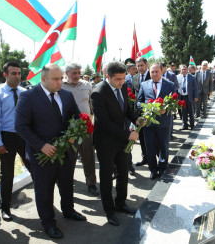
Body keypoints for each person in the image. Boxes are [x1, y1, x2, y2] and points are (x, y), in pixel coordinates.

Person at [15, 63, 86, 239]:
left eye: (61, 78)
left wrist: (74, 133)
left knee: (67, 184)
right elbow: (21, 126)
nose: (60, 82)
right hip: (42, 155)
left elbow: (76, 117)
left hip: (66, 152)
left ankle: (68, 210)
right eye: (56, 79)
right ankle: (48, 223)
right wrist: (41, 145)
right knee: (44, 190)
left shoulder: (67, 95)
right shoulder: (28, 97)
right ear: (43, 79)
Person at [91, 61, 142, 226]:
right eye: (117, 79)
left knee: (123, 173)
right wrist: (128, 135)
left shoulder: (122, 88)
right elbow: (104, 122)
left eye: (123, 78)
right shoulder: (98, 93)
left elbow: (126, 109)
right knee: (106, 178)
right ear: (108, 76)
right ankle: (110, 211)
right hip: (106, 142)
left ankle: (121, 203)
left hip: (121, 139)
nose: (121, 82)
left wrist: (136, 118)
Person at [0, 62, 33, 222]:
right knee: (7, 174)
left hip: (24, 136)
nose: (17, 76)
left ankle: (44, 201)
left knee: (33, 167)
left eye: (19, 73)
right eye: (13, 73)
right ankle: (5, 207)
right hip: (6, 137)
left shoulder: (24, 93)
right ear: (5, 75)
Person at [62, 62, 99, 196]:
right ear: (66, 74)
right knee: (69, 159)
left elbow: (90, 104)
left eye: (78, 72)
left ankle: (91, 184)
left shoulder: (86, 85)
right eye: (74, 73)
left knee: (88, 157)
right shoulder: (61, 87)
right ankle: (67, 184)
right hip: (69, 131)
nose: (77, 75)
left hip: (86, 129)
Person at [137, 63, 175, 180]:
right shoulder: (144, 85)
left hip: (164, 122)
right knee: (150, 147)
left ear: (161, 71)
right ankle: (153, 169)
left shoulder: (170, 84)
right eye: (152, 72)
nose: (154, 74)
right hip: (149, 122)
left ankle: (163, 168)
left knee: (163, 146)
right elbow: (138, 101)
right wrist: (146, 108)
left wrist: (167, 109)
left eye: (156, 71)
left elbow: (175, 100)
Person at [132, 57, 150, 167]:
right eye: (138, 66)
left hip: (150, 111)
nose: (140, 68)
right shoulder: (135, 77)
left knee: (152, 137)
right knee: (142, 137)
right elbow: (134, 94)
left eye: (142, 65)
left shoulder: (152, 75)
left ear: (146, 65)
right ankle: (145, 158)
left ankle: (157, 159)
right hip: (138, 112)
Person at [177, 64, 198, 130]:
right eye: (182, 69)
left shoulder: (192, 77)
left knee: (191, 112)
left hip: (189, 97)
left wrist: (196, 96)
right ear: (180, 70)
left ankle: (192, 125)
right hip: (181, 97)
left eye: (185, 69)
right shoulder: (177, 77)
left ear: (187, 70)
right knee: (183, 112)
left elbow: (195, 88)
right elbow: (176, 88)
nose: (184, 70)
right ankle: (185, 125)